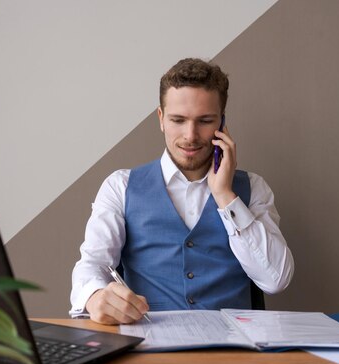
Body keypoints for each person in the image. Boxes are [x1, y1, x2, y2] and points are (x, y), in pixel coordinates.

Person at [70, 58, 294, 324]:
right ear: (161, 119)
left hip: (233, 354)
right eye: (178, 120)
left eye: (205, 120)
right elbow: (92, 264)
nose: (190, 135)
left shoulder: (253, 188)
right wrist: (95, 295)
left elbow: (276, 280)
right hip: (148, 351)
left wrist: (225, 196)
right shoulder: (120, 186)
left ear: (222, 123)